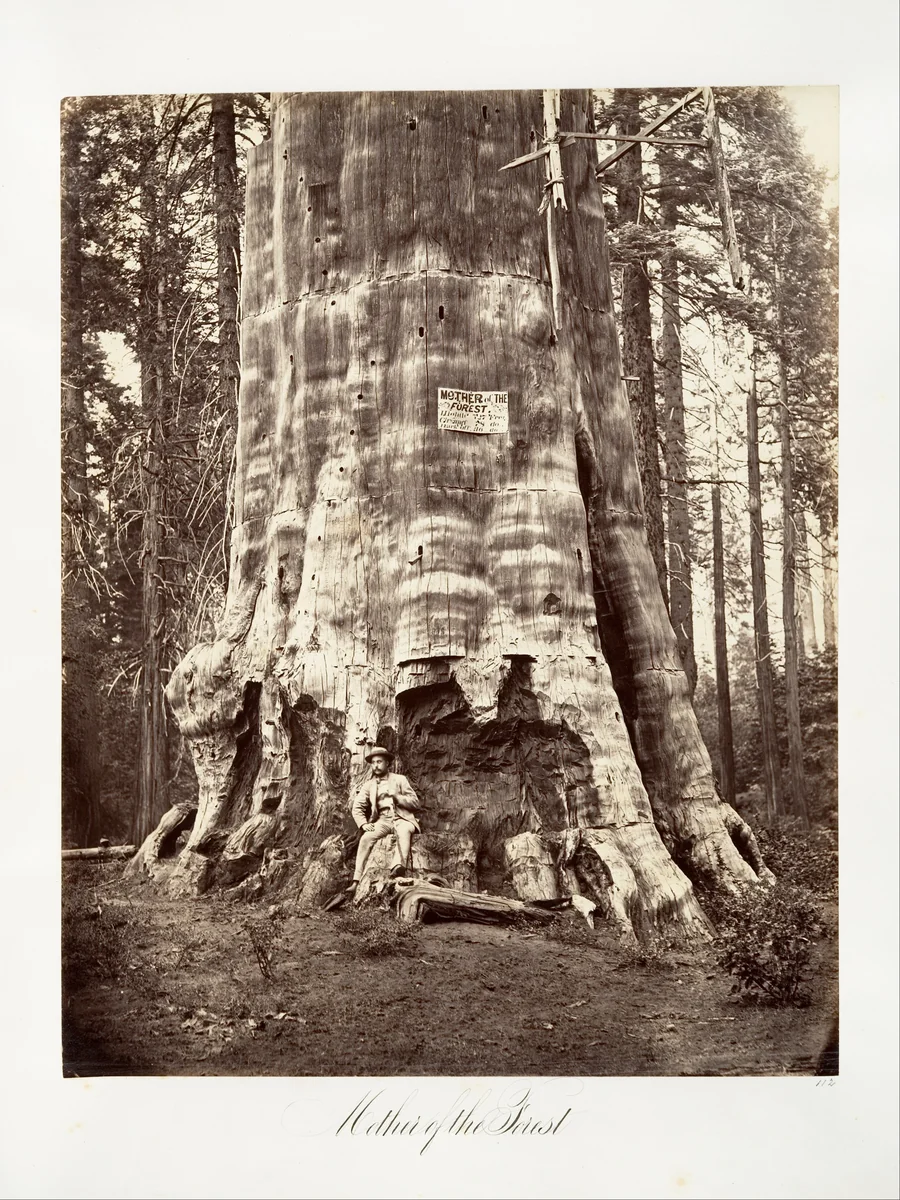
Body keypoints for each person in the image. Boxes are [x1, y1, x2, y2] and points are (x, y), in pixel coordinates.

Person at [347, 746, 421, 893]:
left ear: (387, 763)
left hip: (402, 818)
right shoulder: (369, 785)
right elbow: (357, 807)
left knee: (405, 830)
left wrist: (397, 797)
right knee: (366, 838)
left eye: (379, 761)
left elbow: (415, 802)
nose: (376, 765)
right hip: (382, 820)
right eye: (373, 762)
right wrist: (363, 824)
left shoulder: (400, 779)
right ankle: (356, 881)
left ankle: (398, 867)